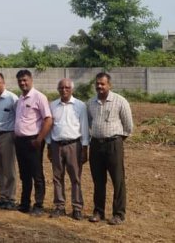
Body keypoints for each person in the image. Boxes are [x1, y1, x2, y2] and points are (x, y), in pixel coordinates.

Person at [87, 72, 133, 226]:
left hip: (114, 144)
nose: (99, 86)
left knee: (118, 180)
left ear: (109, 85)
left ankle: (118, 214)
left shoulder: (120, 101)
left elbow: (128, 127)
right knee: (98, 180)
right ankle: (98, 212)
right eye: (97, 84)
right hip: (96, 145)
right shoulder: (91, 103)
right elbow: (88, 123)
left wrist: (117, 140)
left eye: (103, 84)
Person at [47, 78, 89, 221]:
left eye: (67, 87)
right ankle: (59, 206)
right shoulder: (52, 105)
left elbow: (84, 127)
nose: (64, 90)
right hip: (56, 145)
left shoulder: (80, 105)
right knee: (57, 177)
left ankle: (77, 207)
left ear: (72, 89)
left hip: (74, 145)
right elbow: (50, 126)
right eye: (61, 88)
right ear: (58, 89)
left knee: (75, 178)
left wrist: (85, 148)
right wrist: (48, 146)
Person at [14, 69, 53, 216]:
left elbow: (48, 119)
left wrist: (39, 139)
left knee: (37, 174)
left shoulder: (39, 97)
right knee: (24, 174)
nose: (23, 83)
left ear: (31, 80)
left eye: (25, 80)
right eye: (20, 81)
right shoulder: (20, 99)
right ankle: (25, 203)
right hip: (20, 142)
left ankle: (38, 204)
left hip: (33, 142)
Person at [0, 72, 19, 209]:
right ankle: (2, 196)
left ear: (3, 83)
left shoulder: (12, 98)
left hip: (7, 136)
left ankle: (11, 198)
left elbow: (19, 117)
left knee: (9, 169)